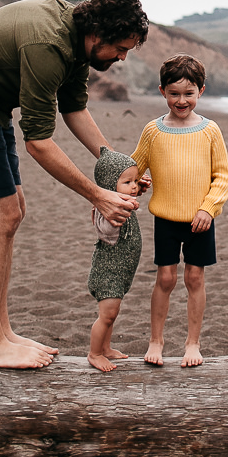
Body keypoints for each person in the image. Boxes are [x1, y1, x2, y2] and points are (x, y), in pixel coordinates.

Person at [0, 0, 149, 370]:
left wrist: (119, 168)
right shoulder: (48, 45)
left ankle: (2, 332)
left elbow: (74, 109)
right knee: (1, 217)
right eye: (120, 48)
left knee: (14, 212)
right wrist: (97, 195)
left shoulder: (78, 45)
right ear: (98, 35)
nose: (123, 57)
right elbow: (39, 142)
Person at [132, 54, 228, 368]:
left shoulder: (210, 130)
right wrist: (138, 182)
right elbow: (134, 168)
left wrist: (209, 208)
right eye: (174, 93)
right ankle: (156, 341)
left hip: (201, 221)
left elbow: (223, 175)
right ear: (162, 91)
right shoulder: (153, 130)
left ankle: (192, 343)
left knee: (194, 279)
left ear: (201, 91)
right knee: (165, 278)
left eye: (189, 93)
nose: (181, 100)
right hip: (165, 218)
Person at [87, 148, 144, 373]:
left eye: (136, 181)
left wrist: (133, 194)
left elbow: (131, 193)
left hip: (120, 272)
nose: (134, 186)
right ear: (110, 187)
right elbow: (107, 233)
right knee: (107, 315)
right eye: (127, 182)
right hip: (108, 272)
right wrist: (128, 204)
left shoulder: (123, 200)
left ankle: (106, 347)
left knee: (112, 315)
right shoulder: (109, 211)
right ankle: (95, 353)